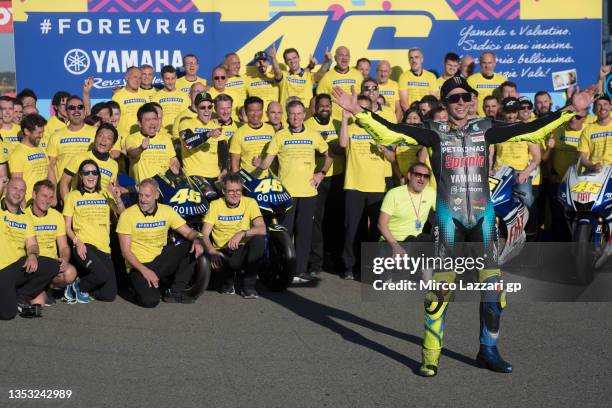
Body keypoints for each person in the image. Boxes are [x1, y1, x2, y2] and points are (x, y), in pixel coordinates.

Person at [331, 75, 591, 376]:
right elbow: (390, 133)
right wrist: (358, 112)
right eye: (454, 98)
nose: (462, 103)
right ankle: (430, 355)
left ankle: (488, 351)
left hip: (483, 220)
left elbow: (529, 130)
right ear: (445, 102)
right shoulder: (433, 131)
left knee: (494, 291)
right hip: (448, 220)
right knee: (440, 293)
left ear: (472, 99)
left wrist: (570, 109)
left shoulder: (486, 127)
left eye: (466, 97)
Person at [253, 100, 332, 283]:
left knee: (304, 233)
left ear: (304, 115)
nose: (296, 117)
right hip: (285, 194)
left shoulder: (313, 135)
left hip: (308, 192)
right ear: (287, 116)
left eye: (299, 113)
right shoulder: (280, 136)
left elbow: (329, 155)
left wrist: (321, 173)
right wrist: (260, 164)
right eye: (292, 114)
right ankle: (282, 268)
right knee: (285, 233)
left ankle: (300, 270)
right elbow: (267, 162)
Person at [117, 178, 204, 307]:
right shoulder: (127, 215)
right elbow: (125, 252)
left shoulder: (167, 211)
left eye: (147, 196)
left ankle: (174, 291)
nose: (143, 199)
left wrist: (197, 238)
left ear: (157, 195)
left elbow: (188, 232)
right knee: (151, 301)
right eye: (140, 195)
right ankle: (135, 287)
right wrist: (145, 271)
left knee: (191, 246)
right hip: (139, 266)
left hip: (161, 259)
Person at [339, 94, 391, 280]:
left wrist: (383, 149)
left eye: (363, 108)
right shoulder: (350, 128)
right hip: (354, 185)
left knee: (377, 230)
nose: (358, 111)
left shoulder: (380, 129)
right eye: (356, 107)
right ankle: (349, 266)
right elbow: (343, 143)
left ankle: (370, 267)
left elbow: (393, 157)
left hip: (377, 186)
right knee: (352, 229)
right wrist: (344, 119)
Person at [63, 160, 124, 303]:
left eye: (94, 172)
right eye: (86, 172)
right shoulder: (73, 196)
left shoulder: (105, 194)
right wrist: (77, 242)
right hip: (84, 246)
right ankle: (77, 287)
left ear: (98, 176)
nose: (91, 176)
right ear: (81, 175)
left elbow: (123, 214)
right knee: (101, 274)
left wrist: (118, 198)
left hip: (104, 248)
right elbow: (66, 227)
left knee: (109, 295)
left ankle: (81, 284)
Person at [0, 178, 58, 319]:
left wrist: (32, 255)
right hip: (2, 269)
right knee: (8, 314)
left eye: (22, 190)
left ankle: (19, 297)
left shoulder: (26, 217)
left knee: (53, 265)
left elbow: (32, 244)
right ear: (6, 189)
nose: (18, 192)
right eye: (15, 188)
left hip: (18, 267)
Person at [202, 172, 266, 298]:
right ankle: (228, 282)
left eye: (238, 190)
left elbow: (262, 228)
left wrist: (242, 233)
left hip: (242, 249)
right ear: (223, 191)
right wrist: (212, 251)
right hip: (222, 252)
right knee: (218, 281)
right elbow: (204, 234)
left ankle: (248, 287)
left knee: (258, 240)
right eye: (231, 191)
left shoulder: (250, 202)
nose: (235, 194)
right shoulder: (215, 205)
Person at [305, 94, 344, 275]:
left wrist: (327, 149)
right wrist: (329, 149)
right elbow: (310, 151)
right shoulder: (307, 125)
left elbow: (343, 149)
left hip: (338, 176)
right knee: (316, 221)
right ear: (315, 107)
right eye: (321, 106)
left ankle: (335, 260)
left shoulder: (338, 123)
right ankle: (315, 263)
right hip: (316, 179)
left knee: (336, 221)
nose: (325, 109)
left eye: (328, 105)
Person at [26, 180, 77, 305]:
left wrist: (64, 260)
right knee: (38, 303)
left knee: (71, 273)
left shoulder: (56, 216)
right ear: (34, 195)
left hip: (51, 266)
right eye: (44, 196)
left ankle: (49, 287)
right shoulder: (23, 215)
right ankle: (38, 291)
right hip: (33, 266)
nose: (47, 200)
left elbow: (64, 247)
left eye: (50, 197)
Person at [491, 97, 540, 209]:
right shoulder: (495, 129)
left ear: (518, 111)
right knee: (494, 201)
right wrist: (489, 170)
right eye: (508, 112)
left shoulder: (528, 129)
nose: (511, 116)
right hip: (500, 172)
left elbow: (537, 158)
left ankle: (531, 226)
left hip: (520, 172)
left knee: (527, 198)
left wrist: (525, 172)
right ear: (503, 111)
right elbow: (490, 153)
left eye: (514, 112)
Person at [378, 162, 436, 257]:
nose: (422, 179)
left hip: (415, 241)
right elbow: (381, 224)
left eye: (426, 176)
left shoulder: (430, 193)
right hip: (392, 241)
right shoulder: (394, 194)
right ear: (409, 176)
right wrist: (395, 247)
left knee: (429, 242)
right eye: (418, 175)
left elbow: (445, 212)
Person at [59, 123, 119, 200]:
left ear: (113, 145)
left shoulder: (114, 165)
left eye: (109, 138)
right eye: (100, 136)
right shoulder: (79, 158)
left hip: (101, 210)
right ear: (95, 138)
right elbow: (64, 183)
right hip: (79, 209)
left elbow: (111, 190)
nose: (103, 140)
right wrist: (69, 205)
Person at [177, 92, 227, 184]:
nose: (207, 111)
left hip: (215, 176)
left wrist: (224, 169)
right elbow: (187, 143)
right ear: (196, 108)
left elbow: (223, 151)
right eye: (202, 107)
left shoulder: (216, 126)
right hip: (194, 175)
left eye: (209, 107)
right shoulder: (186, 123)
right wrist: (208, 134)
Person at [125, 103, 180, 183]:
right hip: (145, 189)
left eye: (155, 119)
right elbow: (131, 153)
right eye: (148, 120)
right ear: (139, 123)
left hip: (166, 186)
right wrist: (141, 148)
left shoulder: (166, 138)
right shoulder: (132, 138)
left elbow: (173, 159)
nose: (152, 123)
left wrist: (175, 165)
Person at [46, 95, 97, 180]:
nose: (76, 110)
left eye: (80, 107)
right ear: (66, 112)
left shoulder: (96, 133)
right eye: (72, 108)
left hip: (90, 186)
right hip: (63, 188)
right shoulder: (56, 136)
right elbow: (50, 166)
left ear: (84, 111)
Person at [9, 114, 56, 205]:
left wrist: (53, 197)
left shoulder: (41, 149)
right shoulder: (17, 155)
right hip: (28, 205)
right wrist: (23, 208)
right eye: (38, 133)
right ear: (27, 131)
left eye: (42, 132)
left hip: (44, 203)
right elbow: (17, 185)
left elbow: (50, 172)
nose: (41, 136)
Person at [229, 96, 275, 178]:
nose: (255, 114)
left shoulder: (271, 130)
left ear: (263, 111)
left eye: (258, 110)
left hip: (269, 179)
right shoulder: (238, 133)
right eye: (251, 111)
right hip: (249, 182)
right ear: (246, 112)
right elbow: (235, 163)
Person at [316, 46, 363, 121]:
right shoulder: (327, 77)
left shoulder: (358, 75)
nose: (344, 58)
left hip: (355, 120)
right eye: (341, 55)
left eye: (347, 55)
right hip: (335, 121)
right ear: (335, 58)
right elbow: (319, 99)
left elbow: (364, 98)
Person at [152, 65, 191, 134]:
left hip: (180, 133)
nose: (170, 82)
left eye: (172, 78)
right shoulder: (156, 97)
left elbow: (187, 116)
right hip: (163, 134)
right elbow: (154, 118)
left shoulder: (184, 96)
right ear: (162, 79)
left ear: (176, 78)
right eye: (167, 79)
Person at [112, 66, 148, 139]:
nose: (137, 80)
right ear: (126, 77)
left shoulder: (145, 95)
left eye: (140, 78)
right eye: (135, 77)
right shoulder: (117, 96)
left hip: (142, 137)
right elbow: (113, 119)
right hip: (124, 137)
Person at [467, 52, 508, 117]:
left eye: (490, 63)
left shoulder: (502, 80)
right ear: (480, 64)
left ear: (494, 63)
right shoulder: (471, 80)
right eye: (484, 63)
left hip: (498, 119)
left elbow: (507, 101)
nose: (487, 66)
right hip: (478, 119)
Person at [578, 95, 612, 171]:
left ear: (610, 106)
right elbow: (582, 158)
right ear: (594, 109)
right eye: (599, 105)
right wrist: (592, 166)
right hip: (596, 174)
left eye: (605, 104)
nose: (602, 107)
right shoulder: (587, 130)